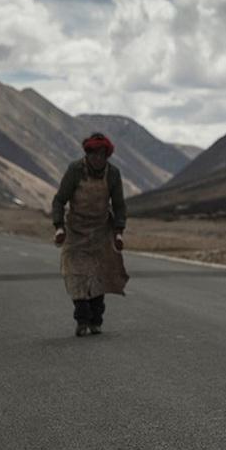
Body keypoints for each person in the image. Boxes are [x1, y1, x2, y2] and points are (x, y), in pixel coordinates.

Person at [52, 132, 129, 337]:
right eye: (93, 154)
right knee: (76, 275)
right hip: (75, 230)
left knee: (98, 277)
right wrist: (59, 226)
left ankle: (96, 320)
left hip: (101, 231)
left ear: (106, 156)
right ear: (87, 154)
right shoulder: (75, 170)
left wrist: (118, 231)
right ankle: (82, 319)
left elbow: (119, 205)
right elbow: (59, 200)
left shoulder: (113, 174)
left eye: (101, 154)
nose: (97, 158)